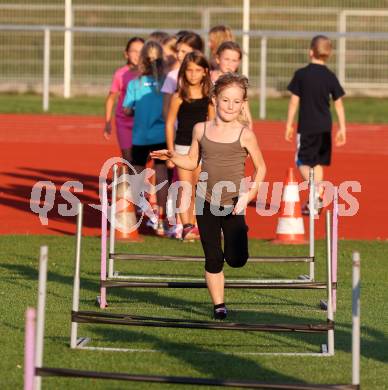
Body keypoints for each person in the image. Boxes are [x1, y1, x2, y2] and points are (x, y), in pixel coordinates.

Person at [151, 73, 266, 320]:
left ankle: (237, 240)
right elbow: (192, 161)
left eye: (236, 102)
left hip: (234, 203)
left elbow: (261, 168)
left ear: (243, 104)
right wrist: (172, 156)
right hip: (205, 202)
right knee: (213, 258)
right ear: (214, 99)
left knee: (236, 260)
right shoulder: (200, 129)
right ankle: (219, 306)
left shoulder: (244, 134)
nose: (230, 106)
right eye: (225, 100)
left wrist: (249, 195)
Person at [285, 35, 346, 214]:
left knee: (302, 161)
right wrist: (342, 127)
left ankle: (316, 190)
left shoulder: (301, 74)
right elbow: (339, 103)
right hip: (325, 127)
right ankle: (314, 201)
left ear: (310, 52)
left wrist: (289, 124)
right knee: (317, 162)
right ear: (329, 54)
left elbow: (293, 102)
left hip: (307, 127)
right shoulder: (330, 76)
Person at [165, 51, 215, 241]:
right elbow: (170, 123)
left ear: (205, 72)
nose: (193, 74)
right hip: (182, 147)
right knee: (184, 187)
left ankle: (196, 223)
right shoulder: (179, 96)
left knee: (198, 188)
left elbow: (212, 123)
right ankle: (186, 225)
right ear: (183, 72)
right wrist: (171, 152)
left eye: (197, 70)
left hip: (202, 149)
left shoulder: (209, 97)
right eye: (189, 70)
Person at [122, 40, 168, 231]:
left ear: (141, 61)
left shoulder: (135, 84)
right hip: (161, 133)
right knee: (161, 172)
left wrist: (135, 111)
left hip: (140, 135)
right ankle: (163, 215)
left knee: (137, 172)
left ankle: (137, 212)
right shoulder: (165, 84)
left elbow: (126, 109)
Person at [103, 37, 144, 161]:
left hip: (144, 123)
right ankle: (128, 178)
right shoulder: (120, 74)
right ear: (126, 54)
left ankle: (141, 179)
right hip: (124, 122)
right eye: (134, 51)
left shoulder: (149, 74)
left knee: (146, 158)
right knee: (129, 159)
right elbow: (111, 99)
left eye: (141, 51)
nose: (138, 55)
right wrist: (108, 122)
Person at [161, 32, 204, 120]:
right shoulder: (172, 76)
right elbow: (166, 109)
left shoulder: (206, 74)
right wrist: (172, 128)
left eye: (184, 52)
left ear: (197, 52)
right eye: (177, 51)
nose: (179, 55)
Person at [211, 41, 252, 129]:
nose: (229, 64)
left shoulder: (239, 84)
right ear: (218, 59)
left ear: (238, 62)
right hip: (210, 126)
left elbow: (245, 108)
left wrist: (249, 126)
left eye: (234, 60)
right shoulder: (208, 78)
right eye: (226, 59)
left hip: (230, 128)